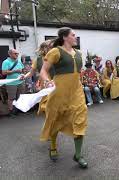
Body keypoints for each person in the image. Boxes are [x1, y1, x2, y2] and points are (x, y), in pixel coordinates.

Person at [40, 27, 88, 168]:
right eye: (73, 35)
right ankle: (53, 146)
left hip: (76, 91)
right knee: (56, 118)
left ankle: (78, 155)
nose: (75, 37)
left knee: (80, 119)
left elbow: (79, 73)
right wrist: (48, 81)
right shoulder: (55, 51)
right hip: (59, 91)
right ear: (65, 37)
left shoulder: (78, 53)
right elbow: (43, 70)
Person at [21, 40, 55, 114]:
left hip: (57, 83)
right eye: (50, 47)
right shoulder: (38, 60)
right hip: (45, 85)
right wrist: (24, 76)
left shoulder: (57, 58)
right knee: (47, 107)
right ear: (44, 48)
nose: (52, 49)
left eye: (53, 47)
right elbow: (31, 73)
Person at [1, 49, 25, 116]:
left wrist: (23, 74)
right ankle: (11, 111)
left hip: (21, 82)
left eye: (17, 53)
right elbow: (3, 72)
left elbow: (22, 70)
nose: (17, 55)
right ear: (10, 54)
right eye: (15, 53)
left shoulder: (19, 61)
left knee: (20, 97)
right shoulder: (6, 62)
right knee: (11, 98)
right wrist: (15, 71)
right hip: (11, 83)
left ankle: (19, 109)